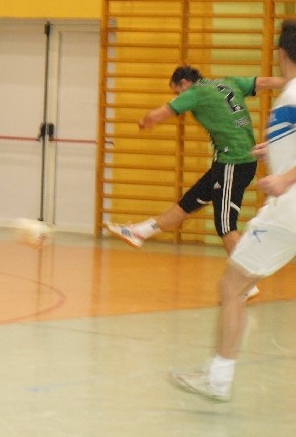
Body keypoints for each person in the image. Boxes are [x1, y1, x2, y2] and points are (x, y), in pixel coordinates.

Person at [171, 20, 296, 401]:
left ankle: (218, 379)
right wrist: (273, 151)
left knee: (232, 286)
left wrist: (286, 177)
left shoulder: (293, 93)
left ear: (281, 53)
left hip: (288, 212)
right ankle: (217, 376)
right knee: (234, 286)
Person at [104, 66, 285, 279]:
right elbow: (264, 82)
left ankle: (245, 282)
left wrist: (145, 121)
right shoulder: (229, 82)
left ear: (184, 83)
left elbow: (158, 114)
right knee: (187, 205)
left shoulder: (195, 93)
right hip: (228, 163)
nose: (178, 96)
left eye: (177, 92)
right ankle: (139, 232)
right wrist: (291, 82)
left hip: (234, 163)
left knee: (225, 225)